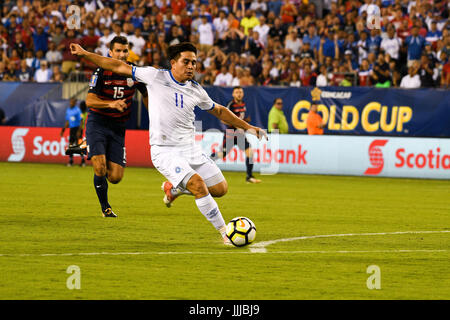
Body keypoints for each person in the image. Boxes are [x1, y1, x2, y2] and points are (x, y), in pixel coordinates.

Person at [69, 42, 267, 244]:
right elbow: (117, 66)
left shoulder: (196, 89)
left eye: (194, 63)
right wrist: (85, 53)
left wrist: (248, 127)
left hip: (190, 149)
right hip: (165, 151)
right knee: (198, 184)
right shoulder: (155, 76)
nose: (191, 66)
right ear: (173, 63)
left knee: (220, 189)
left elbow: (220, 111)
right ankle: (225, 233)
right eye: (186, 62)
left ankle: (174, 189)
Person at [68, 36, 149, 218]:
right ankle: (106, 208)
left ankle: (85, 147)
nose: (122, 54)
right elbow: (90, 100)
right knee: (100, 167)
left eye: (125, 51)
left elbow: (145, 94)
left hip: (118, 128)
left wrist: (154, 115)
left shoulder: (134, 73)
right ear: (110, 53)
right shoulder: (101, 71)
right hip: (98, 123)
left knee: (115, 177)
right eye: (118, 51)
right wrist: (111, 104)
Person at [210, 86, 262, 184]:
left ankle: (249, 177)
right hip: (231, 134)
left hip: (240, 135)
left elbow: (239, 119)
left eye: (240, 92)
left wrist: (245, 122)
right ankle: (206, 162)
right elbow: (223, 119)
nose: (239, 94)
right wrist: (237, 126)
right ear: (233, 94)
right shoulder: (231, 105)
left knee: (250, 153)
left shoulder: (243, 104)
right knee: (222, 154)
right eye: (237, 92)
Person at [60, 98, 83, 167]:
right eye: (70, 102)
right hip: (72, 129)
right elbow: (67, 121)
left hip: (77, 128)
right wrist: (63, 130)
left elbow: (81, 120)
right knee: (70, 145)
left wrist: (79, 131)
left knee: (78, 145)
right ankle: (71, 161)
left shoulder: (78, 110)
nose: (71, 103)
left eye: (72, 102)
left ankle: (83, 161)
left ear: (75, 103)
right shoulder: (68, 110)